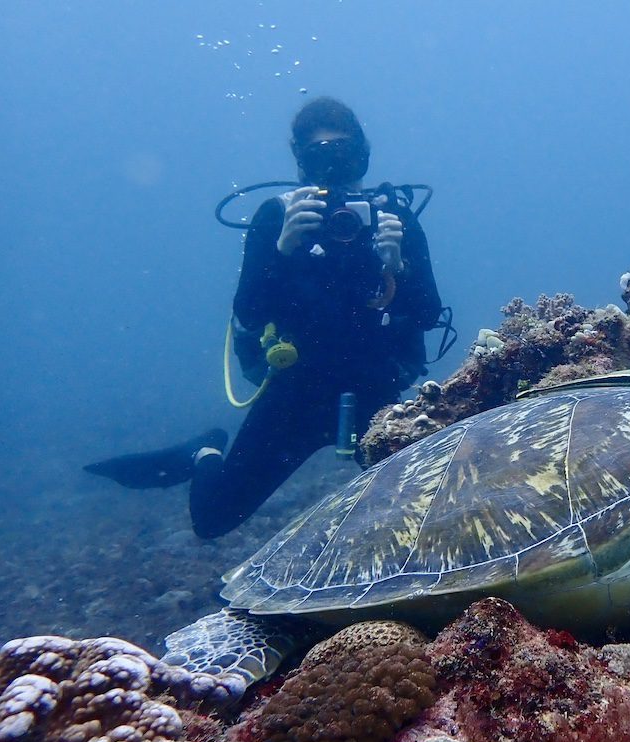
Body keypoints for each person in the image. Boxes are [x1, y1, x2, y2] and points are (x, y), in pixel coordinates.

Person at [85, 97, 443, 538]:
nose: (331, 165)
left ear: (362, 155)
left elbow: (428, 314)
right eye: (318, 155)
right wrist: (282, 251)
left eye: (342, 152)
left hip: (377, 391)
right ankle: (205, 452)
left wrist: (399, 265)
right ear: (301, 163)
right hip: (297, 390)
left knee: (429, 514)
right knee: (213, 520)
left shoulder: (396, 219)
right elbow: (249, 313)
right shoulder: (278, 216)